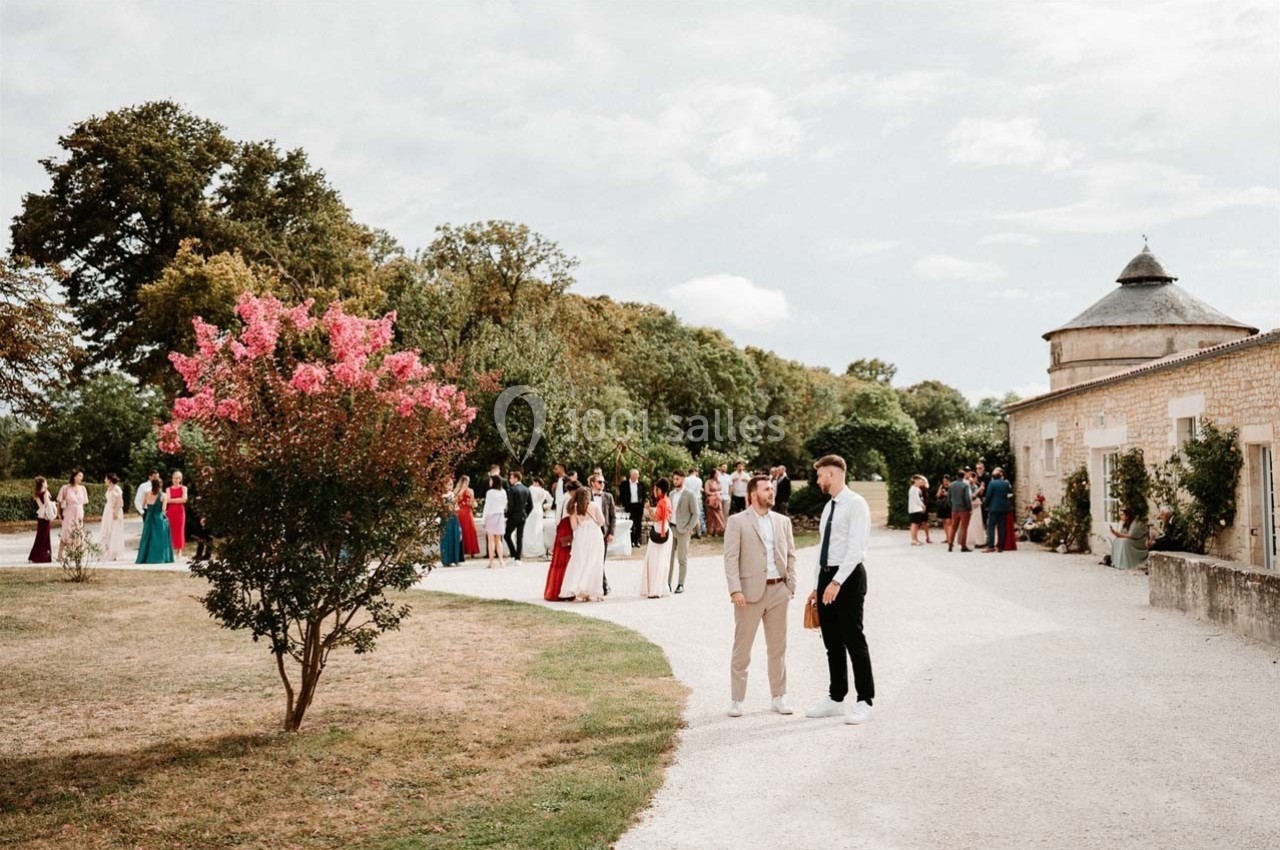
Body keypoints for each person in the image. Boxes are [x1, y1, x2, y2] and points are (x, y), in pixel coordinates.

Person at [805, 454, 875, 726]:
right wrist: (817, 586)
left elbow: (855, 549)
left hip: (847, 577)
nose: (818, 480)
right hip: (826, 577)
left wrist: (836, 582)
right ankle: (836, 699)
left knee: (853, 639)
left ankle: (865, 700)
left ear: (832, 475)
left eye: (820, 475)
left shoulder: (857, 504)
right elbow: (824, 550)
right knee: (831, 641)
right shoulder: (828, 507)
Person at [724, 474, 797, 717]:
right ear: (754, 494)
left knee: (778, 647)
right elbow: (730, 558)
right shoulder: (737, 521)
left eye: (772, 489)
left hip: (779, 591)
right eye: (767, 489)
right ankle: (737, 699)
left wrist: (791, 586)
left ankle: (778, 697)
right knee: (742, 648)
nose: (771, 493)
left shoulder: (782, 521)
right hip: (748, 593)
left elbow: (791, 555)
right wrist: (735, 589)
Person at [559, 487, 606, 601]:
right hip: (594, 535)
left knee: (579, 562)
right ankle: (590, 590)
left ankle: (576, 588)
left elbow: (574, 527)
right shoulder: (594, 506)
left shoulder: (574, 508)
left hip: (581, 536)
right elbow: (602, 521)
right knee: (594, 561)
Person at [543, 480, 579, 600]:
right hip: (567, 528)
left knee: (558, 561)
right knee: (567, 560)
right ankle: (565, 590)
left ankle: (555, 589)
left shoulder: (561, 499)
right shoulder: (570, 500)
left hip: (560, 529)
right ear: (573, 491)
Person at [639, 478, 672, 598]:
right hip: (665, 528)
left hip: (660, 529)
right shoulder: (667, 501)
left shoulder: (662, 502)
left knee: (656, 560)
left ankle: (655, 589)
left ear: (659, 489)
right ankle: (660, 587)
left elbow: (657, 518)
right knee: (661, 560)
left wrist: (648, 510)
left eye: (655, 489)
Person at [667, 470, 697, 593]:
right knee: (669, 558)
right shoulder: (671, 494)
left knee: (682, 558)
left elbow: (695, 514)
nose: (675, 481)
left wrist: (689, 528)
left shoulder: (690, 494)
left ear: (683, 479)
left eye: (677, 479)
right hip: (671, 528)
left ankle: (680, 584)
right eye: (674, 479)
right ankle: (667, 583)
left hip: (683, 530)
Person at [135, 478, 175, 564]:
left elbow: (143, 505)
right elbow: (164, 509)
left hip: (149, 517)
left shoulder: (147, 493)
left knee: (147, 537)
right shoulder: (164, 495)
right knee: (160, 538)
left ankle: (145, 557)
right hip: (158, 518)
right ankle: (160, 558)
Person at [589, 474, 617, 595]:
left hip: (604, 533)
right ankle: (603, 585)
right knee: (591, 559)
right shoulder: (587, 496)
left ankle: (603, 585)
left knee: (601, 560)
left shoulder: (608, 497)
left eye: (603, 482)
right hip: (589, 531)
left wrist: (611, 532)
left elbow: (613, 516)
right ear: (592, 483)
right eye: (599, 482)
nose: (602, 484)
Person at [56, 470, 89, 561]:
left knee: (78, 533)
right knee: (66, 532)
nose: (81, 478)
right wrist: (59, 513)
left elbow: (83, 503)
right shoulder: (65, 488)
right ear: (74, 476)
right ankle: (60, 555)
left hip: (79, 512)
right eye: (79, 476)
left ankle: (76, 555)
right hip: (68, 512)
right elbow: (59, 501)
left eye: (82, 476)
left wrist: (82, 514)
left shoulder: (83, 488)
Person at [504, 471, 534, 565]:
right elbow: (531, 506)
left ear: (516, 478)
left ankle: (513, 555)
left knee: (506, 535)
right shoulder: (527, 489)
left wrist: (507, 515)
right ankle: (518, 558)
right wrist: (526, 514)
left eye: (511, 478)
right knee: (519, 537)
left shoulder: (512, 489)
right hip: (523, 516)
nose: (509, 479)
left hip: (513, 516)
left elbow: (510, 505)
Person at [983, 468, 1013, 553]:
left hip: (994, 507)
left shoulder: (991, 483)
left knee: (991, 526)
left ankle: (991, 546)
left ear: (993, 477)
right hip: (1004, 507)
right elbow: (1009, 493)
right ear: (1000, 476)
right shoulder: (1005, 484)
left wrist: (986, 505)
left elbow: (988, 496)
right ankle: (1001, 546)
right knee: (1002, 526)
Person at [482, 475, 508, 568]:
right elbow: (505, 505)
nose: (489, 482)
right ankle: (501, 560)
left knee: (491, 540)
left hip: (491, 515)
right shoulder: (503, 492)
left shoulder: (490, 492)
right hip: (500, 515)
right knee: (498, 539)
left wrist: (483, 519)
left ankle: (491, 561)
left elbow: (487, 506)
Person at [99, 473, 126, 561]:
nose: (104, 480)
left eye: (106, 479)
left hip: (115, 510)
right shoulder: (109, 488)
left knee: (114, 530)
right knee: (107, 529)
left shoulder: (116, 488)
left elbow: (120, 502)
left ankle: (114, 553)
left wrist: (116, 512)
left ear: (109, 479)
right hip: (108, 510)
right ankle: (107, 551)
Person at [618, 468, 648, 549]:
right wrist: (624, 503)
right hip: (629, 506)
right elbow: (621, 495)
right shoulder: (624, 484)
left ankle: (637, 541)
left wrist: (643, 502)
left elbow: (644, 494)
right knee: (630, 523)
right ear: (630, 475)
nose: (635, 477)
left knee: (638, 524)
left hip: (639, 506)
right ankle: (631, 541)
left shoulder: (641, 484)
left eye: (637, 475)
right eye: (634, 475)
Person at [523, 477, 551, 560]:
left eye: (534, 482)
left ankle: (528, 551)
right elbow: (551, 501)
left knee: (529, 530)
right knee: (538, 530)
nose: (532, 483)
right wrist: (545, 508)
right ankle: (538, 550)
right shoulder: (544, 491)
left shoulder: (531, 489)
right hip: (539, 510)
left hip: (531, 510)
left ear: (537, 483)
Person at [28, 477, 54, 563]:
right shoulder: (45, 493)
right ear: (43, 483)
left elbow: (40, 506)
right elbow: (46, 504)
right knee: (45, 536)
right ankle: (44, 556)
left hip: (40, 516)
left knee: (40, 536)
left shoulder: (37, 494)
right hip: (45, 517)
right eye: (46, 482)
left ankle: (35, 556)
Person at [440, 478, 464, 566]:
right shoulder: (442, 495)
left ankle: (455, 559)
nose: (451, 486)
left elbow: (456, 507)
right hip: (445, 518)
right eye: (449, 484)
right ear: (444, 485)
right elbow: (441, 507)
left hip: (454, 517)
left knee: (455, 537)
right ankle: (446, 560)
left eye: (452, 484)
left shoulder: (452, 494)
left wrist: (455, 507)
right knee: (446, 538)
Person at [948, 470, 973, 552]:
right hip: (964, 509)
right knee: (964, 528)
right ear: (963, 476)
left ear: (956, 476)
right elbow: (967, 498)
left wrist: (952, 506)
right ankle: (963, 545)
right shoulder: (965, 485)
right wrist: (969, 508)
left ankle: (950, 544)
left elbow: (949, 498)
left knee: (953, 527)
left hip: (955, 509)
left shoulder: (951, 485)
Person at [456, 475, 480, 558]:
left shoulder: (457, 491)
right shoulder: (470, 491)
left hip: (459, 512)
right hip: (467, 512)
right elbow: (472, 502)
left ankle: (461, 550)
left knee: (462, 531)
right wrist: (474, 504)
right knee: (470, 531)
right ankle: (470, 551)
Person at [167, 470, 188, 555]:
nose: (176, 480)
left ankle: (179, 550)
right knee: (170, 530)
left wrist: (174, 500)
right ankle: (171, 549)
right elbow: (167, 500)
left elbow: (184, 499)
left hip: (180, 511)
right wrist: (178, 500)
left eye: (178, 478)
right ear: (172, 478)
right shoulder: (168, 489)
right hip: (171, 511)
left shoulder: (184, 488)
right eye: (175, 478)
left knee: (180, 530)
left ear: (181, 479)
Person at [966, 470, 985, 548]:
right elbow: (972, 496)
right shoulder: (968, 485)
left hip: (977, 504)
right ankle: (976, 540)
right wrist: (980, 489)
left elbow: (979, 494)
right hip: (973, 505)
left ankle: (976, 539)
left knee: (977, 523)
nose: (976, 480)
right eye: (975, 478)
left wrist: (981, 489)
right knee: (974, 523)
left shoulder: (975, 484)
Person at [908, 474, 928, 546]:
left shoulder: (917, 489)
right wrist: (923, 506)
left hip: (917, 509)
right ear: (915, 481)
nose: (920, 482)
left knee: (917, 525)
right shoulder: (914, 489)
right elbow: (917, 499)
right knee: (914, 524)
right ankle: (913, 539)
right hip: (914, 509)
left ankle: (916, 539)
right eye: (919, 480)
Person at [685, 466, 705, 537]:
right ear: (695, 472)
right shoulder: (699, 480)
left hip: (688, 498)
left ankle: (692, 532)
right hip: (697, 498)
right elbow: (699, 489)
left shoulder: (686, 479)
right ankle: (698, 532)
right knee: (696, 515)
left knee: (689, 516)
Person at [935, 475, 953, 547]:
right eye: (944, 481)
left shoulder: (951, 487)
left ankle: (950, 539)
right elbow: (937, 496)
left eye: (946, 481)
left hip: (949, 506)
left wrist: (946, 494)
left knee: (949, 522)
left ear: (949, 481)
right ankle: (947, 537)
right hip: (942, 506)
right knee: (944, 522)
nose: (945, 482)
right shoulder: (941, 487)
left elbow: (953, 496)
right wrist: (940, 491)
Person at [974, 461, 992, 531]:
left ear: (983, 468)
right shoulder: (976, 477)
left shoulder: (987, 476)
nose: (978, 470)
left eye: (980, 468)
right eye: (977, 468)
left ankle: (988, 535)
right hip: (978, 500)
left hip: (985, 499)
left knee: (986, 517)